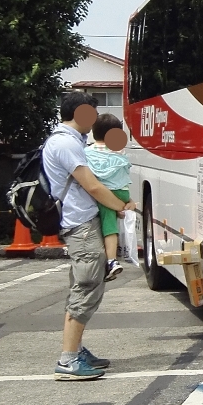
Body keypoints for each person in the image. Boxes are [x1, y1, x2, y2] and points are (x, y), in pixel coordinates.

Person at [41, 92, 137, 380]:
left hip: (81, 221)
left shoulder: (69, 141)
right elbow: (93, 186)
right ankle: (68, 360)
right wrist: (121, 207)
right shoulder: (66, 143)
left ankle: (77, 350)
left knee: (84, 285)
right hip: (80, 225)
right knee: (86, 286)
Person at [85, 112, 132, 281]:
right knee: (123, 216)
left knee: (108, 226)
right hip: (123, 191)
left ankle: (112, 261)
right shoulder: (121, 151)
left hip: (106, 192)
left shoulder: (87, 152)